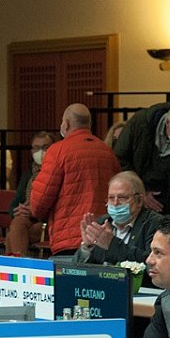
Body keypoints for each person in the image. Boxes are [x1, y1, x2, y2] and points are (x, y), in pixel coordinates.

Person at [30, 103, 121, 257]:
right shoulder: (108, 152)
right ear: (89, 124)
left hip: (67, 239)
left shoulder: (57, 151)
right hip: (103, 237)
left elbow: (39, 203)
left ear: (66, 124)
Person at [113, 102, 170, 216]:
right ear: (167, 122)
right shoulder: (140, 123)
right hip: (135, 196)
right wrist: (140, 191)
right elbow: (120, 158)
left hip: (167, 200)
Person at [74, 171, 162, 266]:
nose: (115, 203)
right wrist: (87, 247)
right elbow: (77, 269)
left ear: (139, 201)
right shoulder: (102, 223)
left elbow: (152, 263)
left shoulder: (155, 224)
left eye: (122, 197)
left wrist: (112, 245)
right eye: (111, 198)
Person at [5, 131, 54, 256]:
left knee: (13, 234)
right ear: (31, 152)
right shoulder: (28, 174)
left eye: (45, 147)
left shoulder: (57, 172)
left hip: (49, 222)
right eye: (36, 148)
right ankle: (19, 262)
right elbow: (14, 204)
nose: (40, 152)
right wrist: (18, 210)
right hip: (27, 219)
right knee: (18, 223)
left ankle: (16, 264)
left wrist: (34, 211)